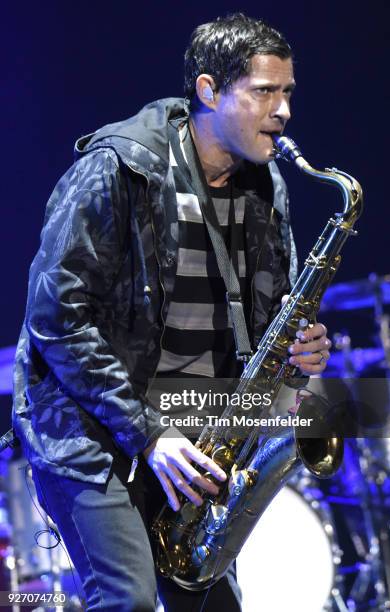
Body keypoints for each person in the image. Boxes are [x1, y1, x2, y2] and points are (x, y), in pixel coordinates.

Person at [12, 12, 331, 612]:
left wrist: (300, 350)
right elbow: (55, 319)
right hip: (90, 427)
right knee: (126, 600)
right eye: (265, 91)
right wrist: (148, 433)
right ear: (209, 91)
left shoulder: (267, 186)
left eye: (288, 92)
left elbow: (269, 322)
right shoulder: (119, 168)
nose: (283, 109)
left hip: (192, 430)